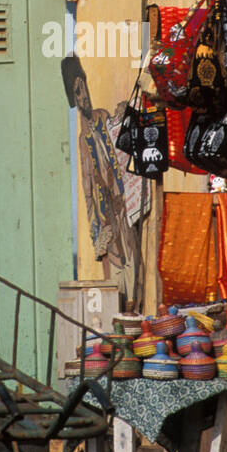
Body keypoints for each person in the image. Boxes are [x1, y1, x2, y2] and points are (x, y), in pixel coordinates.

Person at [61, 55, 140, 307]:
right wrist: (96, 222)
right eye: (77, 92)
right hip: (103, 206)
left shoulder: (102, 117)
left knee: (131, 251)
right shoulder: (82, 138)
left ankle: (134, 304)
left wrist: (123, 112)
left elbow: (120, 138)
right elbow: (87, 184)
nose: (82, 95)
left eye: (82, 86)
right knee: (113, 257)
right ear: (72, 98)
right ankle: (120, 309)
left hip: (121, 197)